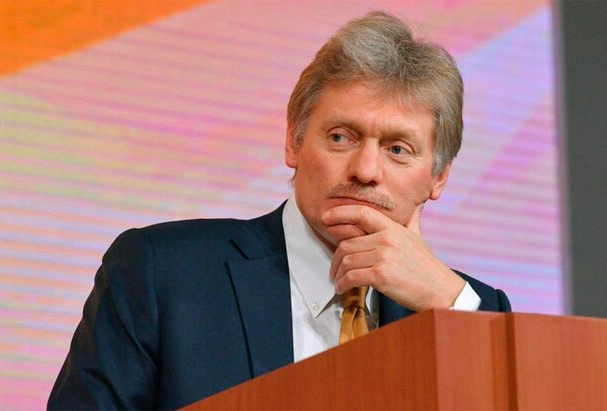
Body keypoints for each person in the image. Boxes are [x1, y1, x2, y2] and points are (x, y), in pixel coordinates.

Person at [48, 11, 511, 410]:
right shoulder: (161, 272)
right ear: (293, 142)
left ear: (438, 178)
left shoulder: (471, 309)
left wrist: (452, 307)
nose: (366, 170)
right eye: (341, 137)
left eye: (398, 149)